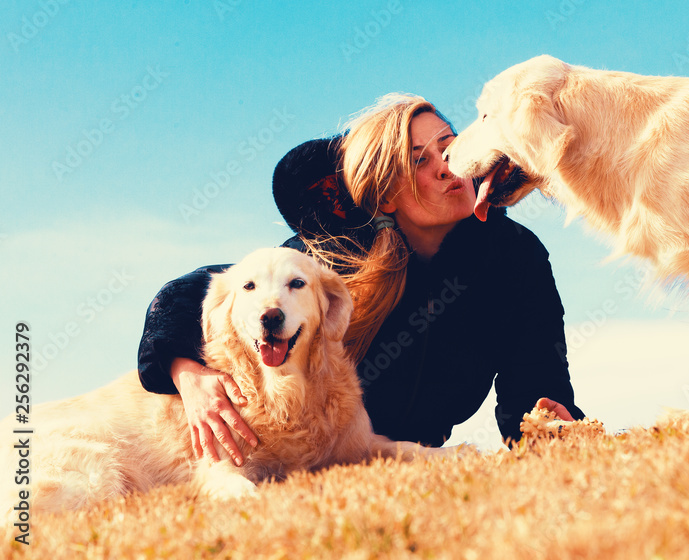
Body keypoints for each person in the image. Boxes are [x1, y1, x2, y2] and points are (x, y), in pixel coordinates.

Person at [137, 94, 584, 465]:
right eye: (419, 162)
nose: (447, 167)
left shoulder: (515, 255)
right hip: (322, 453)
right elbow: (192, 292)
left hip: (412, 457)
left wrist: (545, 416)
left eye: (448, 146)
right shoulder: (337, 251)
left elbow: (535, 374)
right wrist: (187, 373)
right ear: (387, 193)